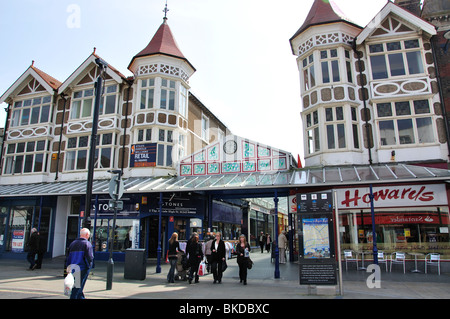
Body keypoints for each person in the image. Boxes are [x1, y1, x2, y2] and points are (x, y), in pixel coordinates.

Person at [65, 228, 94, 299]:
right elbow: (89, 258)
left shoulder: (73, 243)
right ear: (87, 235)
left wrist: (68, 267)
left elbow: (68, 257)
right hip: (82, 268)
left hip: (73, 268)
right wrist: (89, 266)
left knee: (77, 286)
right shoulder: (87, 244)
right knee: (77, 289)